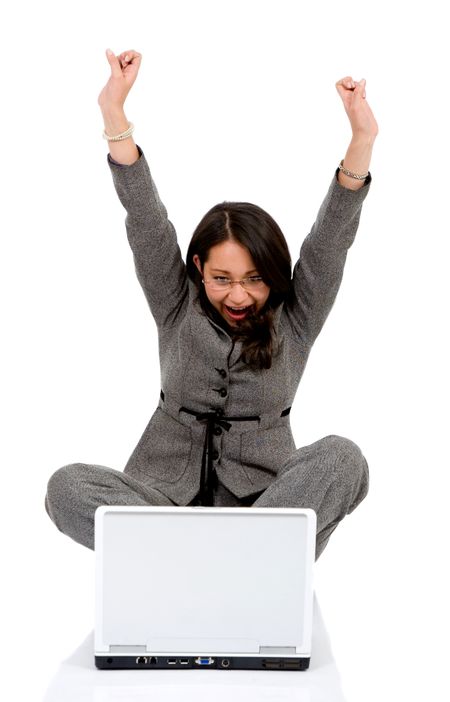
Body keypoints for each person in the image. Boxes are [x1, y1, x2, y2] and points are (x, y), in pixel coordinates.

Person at [44, 49, 378, 559]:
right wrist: (114, 112)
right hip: (162, 507)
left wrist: (362, 141)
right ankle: (207, 564)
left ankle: (231, 560)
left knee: (345, 460)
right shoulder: (175, 303)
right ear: (198, 269)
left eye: (254, 279)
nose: (238, 294)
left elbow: (330, 241)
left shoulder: (297, 316)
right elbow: (146, 221)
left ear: (275, 276)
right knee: (66, 487)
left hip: (264, 511)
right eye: (222, 278)